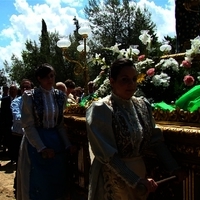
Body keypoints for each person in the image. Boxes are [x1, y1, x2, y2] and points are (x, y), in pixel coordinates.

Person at [86, 58, 186, 200]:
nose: (131, 84)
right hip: (113, 177)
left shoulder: (142, 105)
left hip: (140, 175)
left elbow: (156, 140)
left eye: (134, 79)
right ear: (112, 81)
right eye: (124, 79)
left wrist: (173, 167)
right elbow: (108, 156)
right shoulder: (101, 109)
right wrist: (135, 180)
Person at [17, 63, 75, 200]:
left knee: (56, 181)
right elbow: (28, 125)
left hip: (55, 142)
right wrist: (41, 147)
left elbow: (60, 124)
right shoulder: (30, 96)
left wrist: (67, 144)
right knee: (38, 181)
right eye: (46, 77)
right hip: (36, 141)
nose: (50, 79)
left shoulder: (60, 96)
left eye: (52, 76)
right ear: (39, 78)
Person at [10, 79, 34, 197]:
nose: (25, 89)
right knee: (20, 163)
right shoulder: (16, 102)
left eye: (27, 87)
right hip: (18, 136)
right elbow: (17, 117)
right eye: (23, 87)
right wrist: (32, 122)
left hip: (30, 136)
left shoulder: (35, 101)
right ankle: (18, 186)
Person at [0, 84, 18, 159]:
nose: (12, 91)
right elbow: (2, 113)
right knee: (10, 141)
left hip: (18, 125)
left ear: (16, 91)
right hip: (8, 125)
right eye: (11, 89)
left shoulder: (20, 99)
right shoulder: (4, 100)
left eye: (14, 89)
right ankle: (11, 157)